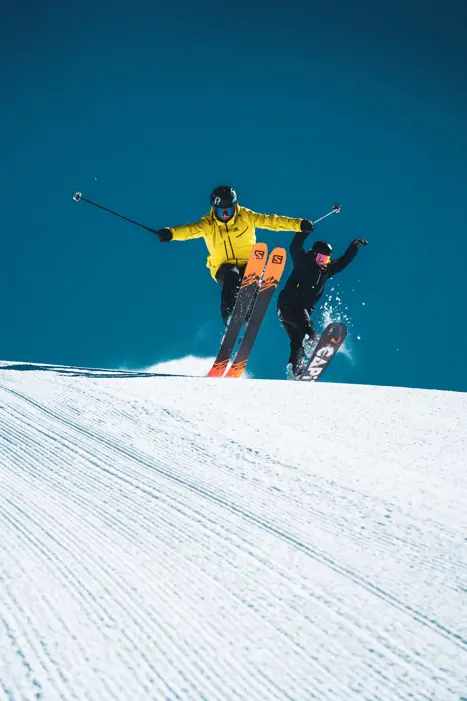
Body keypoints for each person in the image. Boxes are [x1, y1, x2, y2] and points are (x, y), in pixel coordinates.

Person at [155, 186, 314, 325]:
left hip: (249, 263)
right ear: (213, 209)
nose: (225, 214)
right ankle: (230, 317)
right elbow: (188, 230)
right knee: (232, 276)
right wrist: (170, 233)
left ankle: (246, 322)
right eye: (221, 211)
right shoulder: (208, 224)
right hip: (222, 266)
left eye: (229, 210)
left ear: (235, 206)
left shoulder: (246, 216)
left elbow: (272, 221)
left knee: (250, 282)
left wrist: (298, 224)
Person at [277, 232, 368, 378]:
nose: (323, 262)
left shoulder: (326, 271)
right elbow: (295, 247)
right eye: (320, 258)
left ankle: (295, 371)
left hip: (296, 312)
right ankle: (313, 344)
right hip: (289, 305)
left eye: (326, 259)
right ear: (313, 255)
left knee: (297, 342)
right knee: (306, 327)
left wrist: (354, 246)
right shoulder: (303, 262)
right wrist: (303, 232)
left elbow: (343, 261)